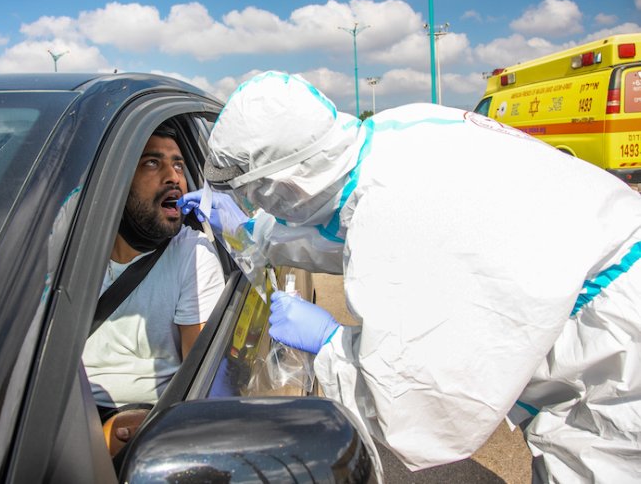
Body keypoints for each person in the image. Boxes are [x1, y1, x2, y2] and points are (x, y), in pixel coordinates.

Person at [178, 71, 641, 483]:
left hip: (615, 365)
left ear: (287, 183)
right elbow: (339, 227)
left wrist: (332, 344)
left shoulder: (403, 215)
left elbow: (423, 408)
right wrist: (248, 232)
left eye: (259, 196)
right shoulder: (393, 142)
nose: (264, 206)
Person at [83, 122, 225, 420]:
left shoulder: (192, 254)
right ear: (116, 181)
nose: (174, 177)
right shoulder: (69, 253)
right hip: (63, 415)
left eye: (178, 164)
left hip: (152, 417)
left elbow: (200, 381)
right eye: (152, 162)